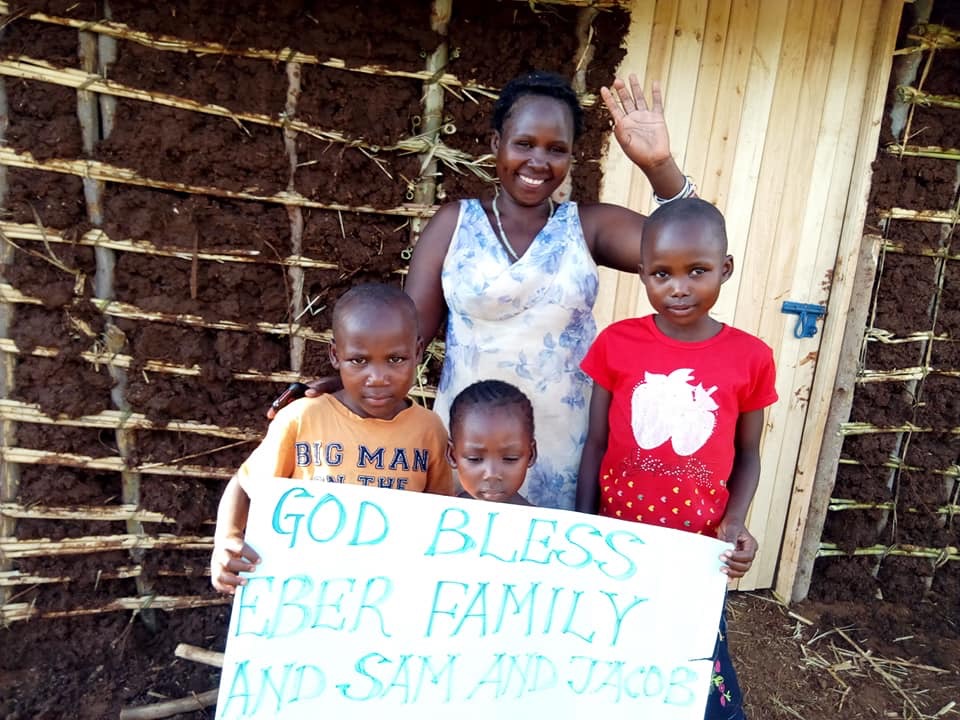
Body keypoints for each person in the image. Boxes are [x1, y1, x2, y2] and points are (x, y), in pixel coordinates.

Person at [273, 71, 690, 512]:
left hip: (564, 447)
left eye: (556, 149)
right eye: (524, 144)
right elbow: (407, 337)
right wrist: (344, 384)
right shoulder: (455, 225)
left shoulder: (588, 227)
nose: (538, 161)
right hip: (469, 451)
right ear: (496, 144)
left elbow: (685, 250)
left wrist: (658, 165)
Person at [575, 198, 778, 720]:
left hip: (697, 552)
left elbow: (749, 453)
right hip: (617, 541)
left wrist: (734, 523)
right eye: (661, 273)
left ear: (725, 269)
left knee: (695, 668)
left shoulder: (751, 358)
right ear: (642, 273)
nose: (679, 287)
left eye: (697, 271)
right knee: (614, 657)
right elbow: (594, 443)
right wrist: (583, 523)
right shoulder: (617, 343)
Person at [211, 283, 453, 594]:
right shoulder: (302, 419)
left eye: (395, 360)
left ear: (418, 352)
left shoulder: (429, 430)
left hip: (388, 596)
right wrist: (227, 540)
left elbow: (441, 517)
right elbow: (244, 485)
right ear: (335, 355)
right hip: (306, 594)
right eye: (359, 361)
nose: (378, 377)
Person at [446, 379, 537, 505]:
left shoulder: (537, 521)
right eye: (474, 458)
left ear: (531, 455)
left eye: (510, 458)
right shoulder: (437, 517)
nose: (492, 474)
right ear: (452, 455)